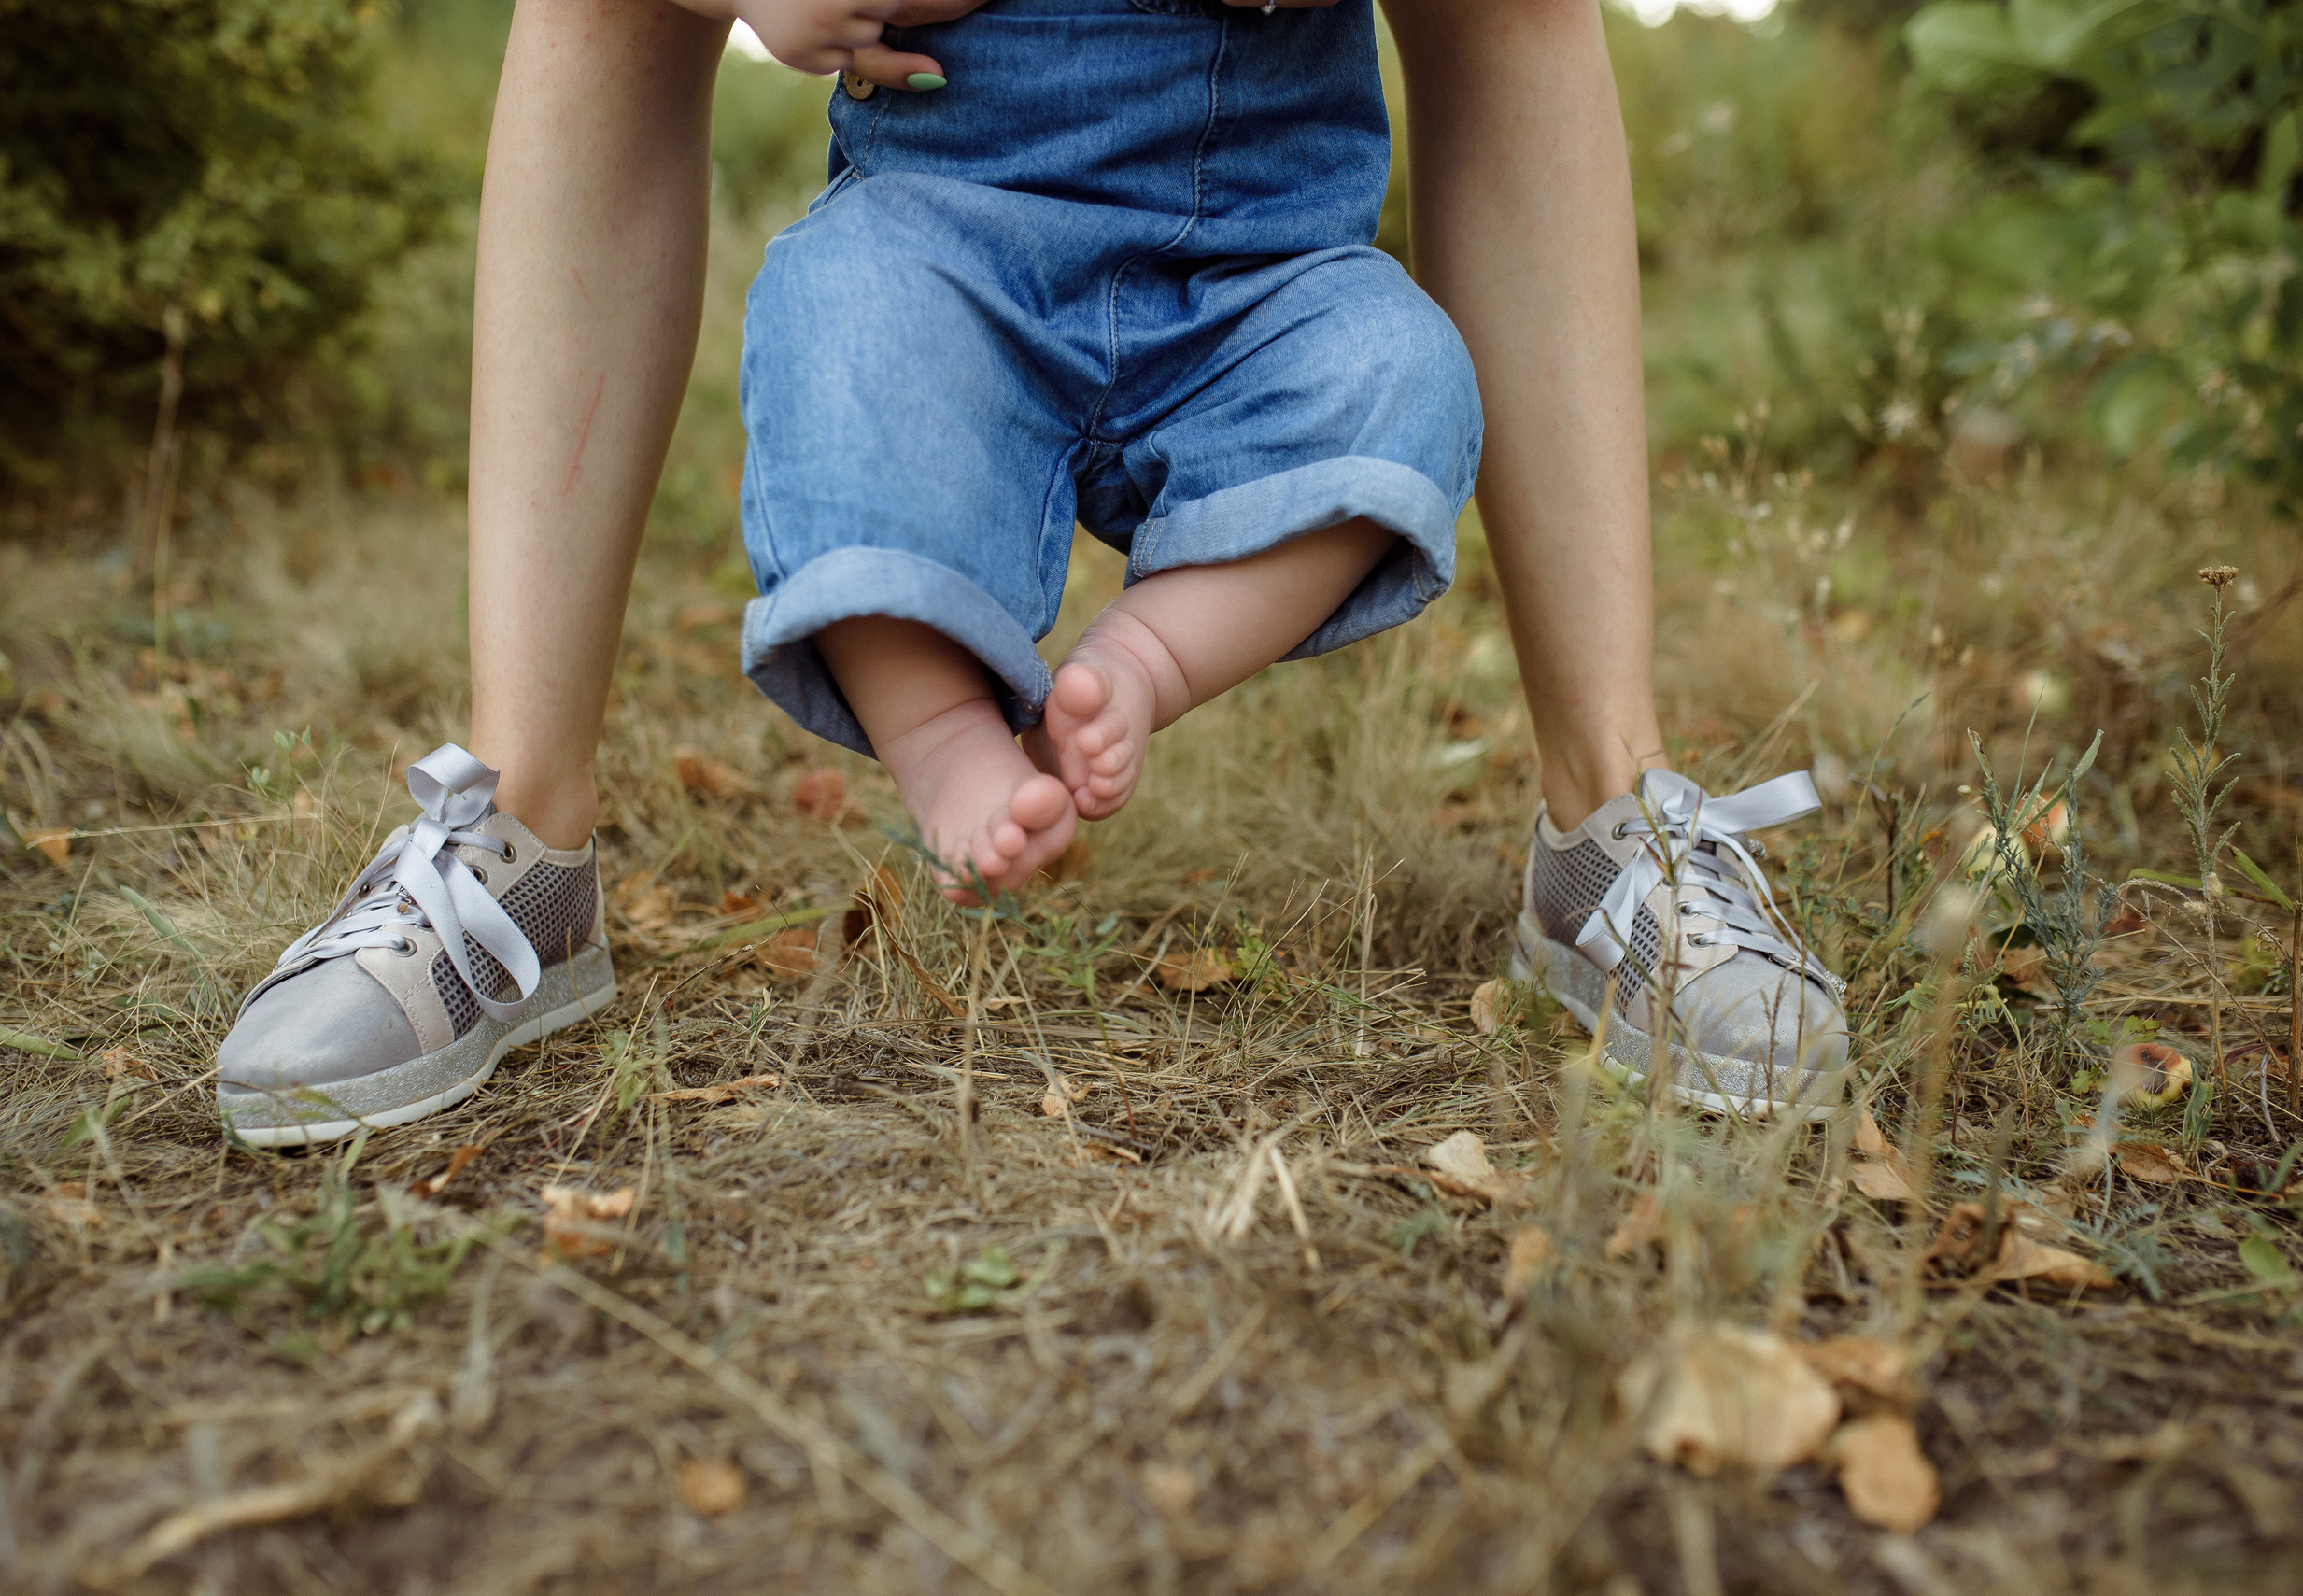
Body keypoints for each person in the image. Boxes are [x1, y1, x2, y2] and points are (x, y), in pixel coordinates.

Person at [212, 0, 1846, 1148]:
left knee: (1401, 374)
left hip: (1266, 279)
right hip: (948, 250)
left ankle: (1546, 803)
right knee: (840, 326)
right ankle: (579, 836)